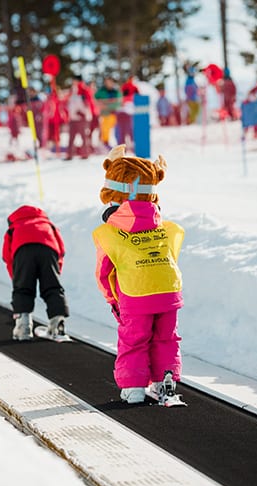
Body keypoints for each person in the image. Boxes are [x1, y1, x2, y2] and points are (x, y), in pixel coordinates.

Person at [92, 145, 185, 405]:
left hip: (135, 294)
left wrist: (113, 299)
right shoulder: (164, 227)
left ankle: (133, 388)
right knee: (166, 338)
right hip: (169, 291)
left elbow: (104, 272)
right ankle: (165, 381)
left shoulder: (110, 232)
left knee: (134, 340)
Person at [2, 205, 69, 341]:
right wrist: (55, 273)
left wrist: (17, 279)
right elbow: (61, 251)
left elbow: (7, 257)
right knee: (52, 288)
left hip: (22, 251)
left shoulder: (13, 228)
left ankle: (23, 327)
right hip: (48, 249)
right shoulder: (48, 225)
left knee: (23, 289)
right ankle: (58, 324)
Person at [65, 75, 93, 160]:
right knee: (71, 136)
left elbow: (88, 103)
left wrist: (82, 112)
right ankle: (69, 154)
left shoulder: (84, 90)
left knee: (83, 136)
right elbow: (68, 102)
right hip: (73, 117)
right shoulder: (72, 90)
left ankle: (85, 153)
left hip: (82, 117)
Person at [94, 77, 121, 148]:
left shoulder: (115, 92)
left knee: (115, 131)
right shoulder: (101, 91)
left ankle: (117, 144)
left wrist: (107, 104)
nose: (108, 84)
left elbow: (118, 103)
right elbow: (95, 100)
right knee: (104, 130)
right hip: (104, 114)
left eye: (110, 82)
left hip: (114, 114)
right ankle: (105, 143)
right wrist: (101, 104)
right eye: (107, 82)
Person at [115, 76, 139, 148]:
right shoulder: (127, 87)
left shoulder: (132, 87)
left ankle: (127, 145)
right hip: (126, 112)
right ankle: (126, 146)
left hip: (127, 111)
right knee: (126, 131)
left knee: (127, 131)